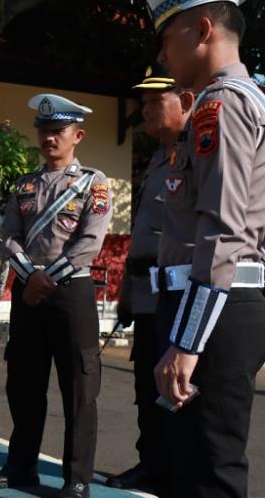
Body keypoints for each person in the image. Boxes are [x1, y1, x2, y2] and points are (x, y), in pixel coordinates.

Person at [142, 0, 265, 498]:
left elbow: (223, 227)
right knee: (186, 462)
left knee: (210, 470)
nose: (163, 53)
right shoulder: (230, 100)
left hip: (216, 304)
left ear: (204, 29)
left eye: (168, 37)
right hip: (209, 298)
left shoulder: (222, 103)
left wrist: (188, 339)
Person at [0, 93, 112, 498]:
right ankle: (21, 466)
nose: (48, 137)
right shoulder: (25, 183)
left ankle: (77, 478)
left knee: (79, 388)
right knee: (23, 382)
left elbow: (90, 240)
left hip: (71, 292)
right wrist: (29, 276)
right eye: (43, 130)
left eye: (57, 131)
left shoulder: (94, 182)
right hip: (28, 293)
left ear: (78, 135)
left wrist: (45, 279)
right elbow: (10, 236)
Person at [105, 65, 192, 496]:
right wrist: (124, 293)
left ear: (185, 102)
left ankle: (178, 472)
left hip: (179, 294)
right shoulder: (157, 156)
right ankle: (152, 464)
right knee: (145, 387)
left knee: (177, 392)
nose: (145, 110)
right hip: (145, 293)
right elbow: (142, 234)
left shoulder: (198, 151)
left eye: (155, 101)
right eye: (143, 102)